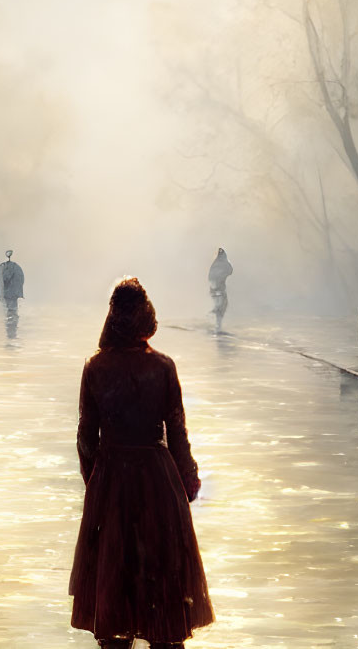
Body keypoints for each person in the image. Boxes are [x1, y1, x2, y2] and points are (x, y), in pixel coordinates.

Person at [69, 278, 213, 649]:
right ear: (147, 318)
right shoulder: (163, 368)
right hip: (157, 484)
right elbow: (178, 435)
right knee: (163, 594)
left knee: (115, 593)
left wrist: (97, 483)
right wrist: (188, 481)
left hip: (113, 482)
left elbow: (86, 439)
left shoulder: (95, 368)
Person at [0, 249, 24, 330]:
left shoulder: (2, 267)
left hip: (7, 294)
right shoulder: (17, 267)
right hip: (14, 294)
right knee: (13, 311)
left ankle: (10, 328)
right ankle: (13, 328)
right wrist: (19, 293)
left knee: (10, 311)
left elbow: (0, 282)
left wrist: (0, 295)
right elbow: (21, 280)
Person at [207, 247, 233, 332]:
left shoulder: (214, 264)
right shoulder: (222, 264)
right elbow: (230, 271)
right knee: (222, 306)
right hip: (219, 290)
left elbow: (210, 278)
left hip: (215, 290)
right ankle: (217, 327)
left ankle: (217, 324)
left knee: (221, 306)